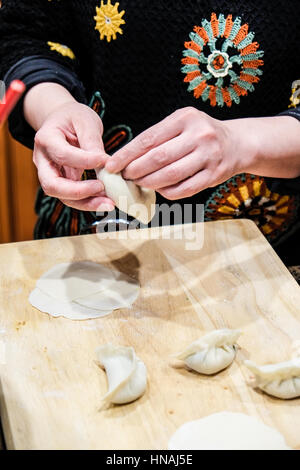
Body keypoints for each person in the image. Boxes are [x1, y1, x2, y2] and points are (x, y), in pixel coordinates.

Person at [0, 0, 299, 276]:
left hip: (261, 258)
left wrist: (243, 143)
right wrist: (55, 108)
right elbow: (22, 34)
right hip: (87, 239)